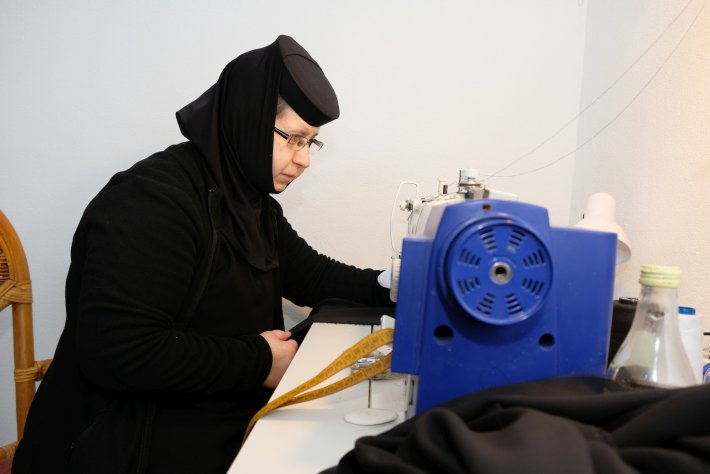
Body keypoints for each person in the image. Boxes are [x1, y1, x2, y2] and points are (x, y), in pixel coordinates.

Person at [13, 35, 392, 474]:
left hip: (204, 426)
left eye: (311, 143)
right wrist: (257, 362)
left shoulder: (249, 203)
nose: (304, 159)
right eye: (294, 138)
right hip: (125, 447)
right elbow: (119, 352)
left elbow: (315, 277)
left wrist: (402, 284)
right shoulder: (151, 202)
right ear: (248, 119)